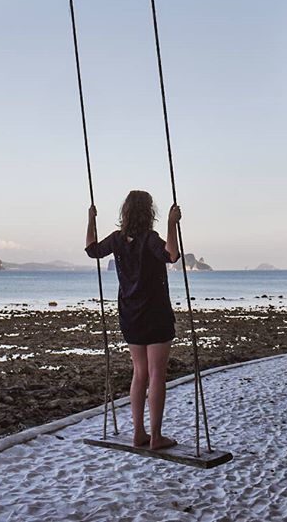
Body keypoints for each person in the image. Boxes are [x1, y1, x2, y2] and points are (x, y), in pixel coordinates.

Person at [85, 190, 181, 450]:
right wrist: (172, 224)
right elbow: (171, 255)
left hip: (130, 314)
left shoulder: (117, 240)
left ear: (125, 212)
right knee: (156, 374)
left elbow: (92, 250)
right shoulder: (150, 239)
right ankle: (156, 436)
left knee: (140, 373)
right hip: (155, 314)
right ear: (148, 213)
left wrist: (91, 219)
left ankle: (139, 432)